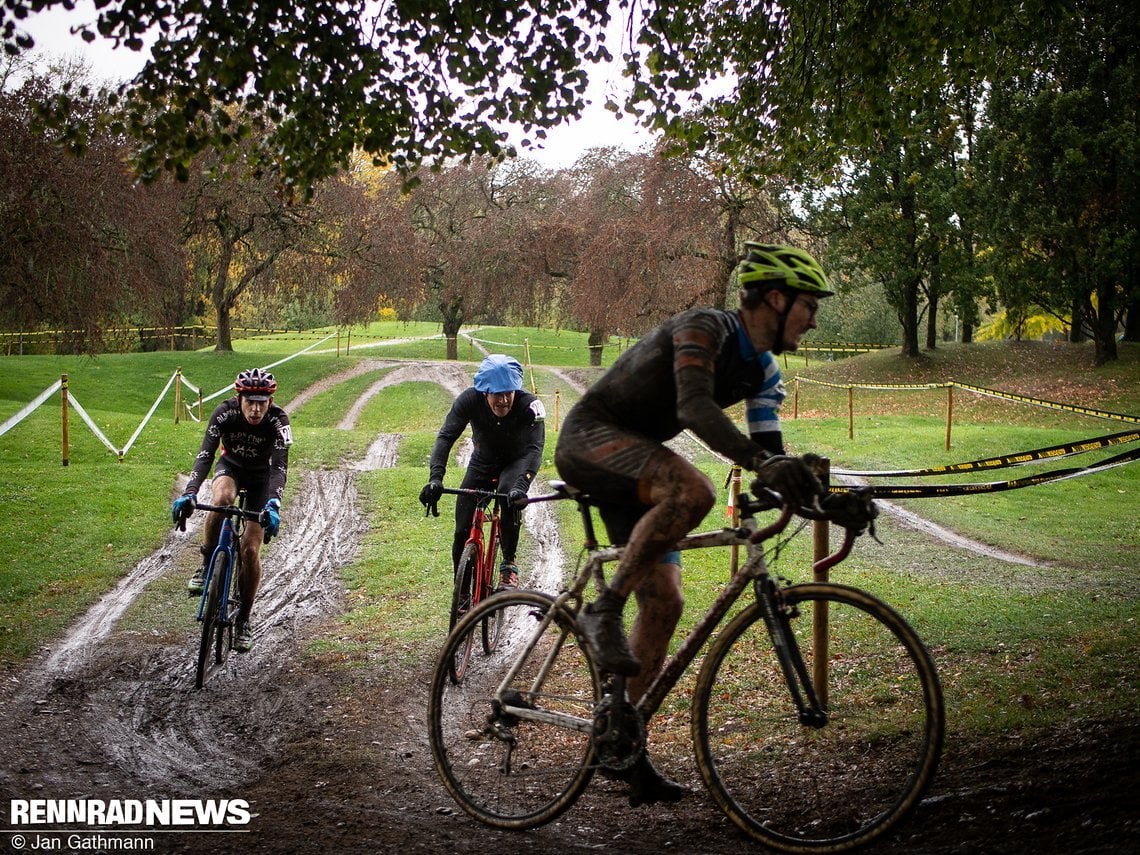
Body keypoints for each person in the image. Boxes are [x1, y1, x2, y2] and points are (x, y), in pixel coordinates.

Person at [553, 242, 833, 806]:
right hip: (590, 439)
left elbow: (768, 452)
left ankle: (621, 745)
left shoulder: (764, 370)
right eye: (809, 305)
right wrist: (761, 463)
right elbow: (694, 408)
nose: (814, 318)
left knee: (665, 603)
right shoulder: (704, 328)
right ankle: (600, 611)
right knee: (696, 489)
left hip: (637, 467)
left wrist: (819, 496)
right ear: (775, 299)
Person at [172, 368, 292, 654]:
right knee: (222, 498)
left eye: (262, 402)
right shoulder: (224, 413)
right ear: (238, 398)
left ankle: (244, 619)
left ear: (270, 402)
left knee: (250, 549)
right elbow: (205, 455)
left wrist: (274, 503)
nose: (255, 408)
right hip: (232, 468)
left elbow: (280, 467)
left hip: (262, 478)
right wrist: (189, 492)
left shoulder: (280, 421)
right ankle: (205, 564)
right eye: (250, 401)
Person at [419, 354, 545, 589]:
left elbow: (535, 448)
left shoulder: (530, 405)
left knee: (509, 496)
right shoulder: (469, 400)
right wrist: (435, 478)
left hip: (515, 462)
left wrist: (522, 485)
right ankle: (463, 594)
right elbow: (446, 436)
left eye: (509, 392)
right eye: (498, 394)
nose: (505, 400)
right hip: (482, 462)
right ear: (485, 392)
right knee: (461, 531)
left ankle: (508, 564)